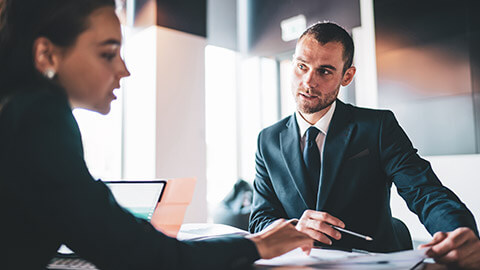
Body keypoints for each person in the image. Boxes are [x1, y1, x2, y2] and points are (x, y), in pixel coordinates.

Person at [0, 0, 313, 269]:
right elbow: (133, 250)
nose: (124, 69)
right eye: (108, 54)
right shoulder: (37, 116)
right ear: (47, 55)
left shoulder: (17, 110)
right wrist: (255, 246)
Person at [248, 21, 480, 269]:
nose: (308, 81)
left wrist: (459, 232)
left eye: (324, 71)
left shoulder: (378, 127)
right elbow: (261, 218)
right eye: (302, 66)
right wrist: (293, 227)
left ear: (346, 76)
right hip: (298, 264)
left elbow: (424, 191)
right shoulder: (267, 140)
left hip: (372, 262)